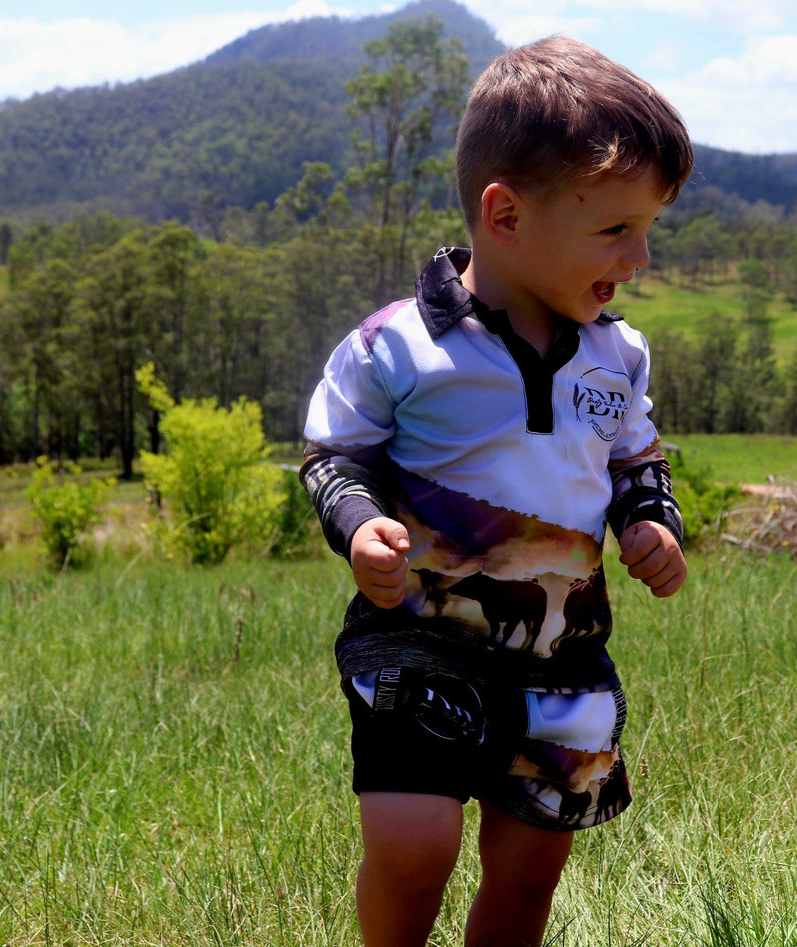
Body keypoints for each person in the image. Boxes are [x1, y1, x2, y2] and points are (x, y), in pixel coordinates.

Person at [301, 34, 694, 947]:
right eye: (615, 230)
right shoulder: (395, 346)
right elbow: (334, 456)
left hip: (565, 652)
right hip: (420, 638)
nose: (639, 257)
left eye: (648, 230)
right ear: (505, 215)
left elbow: (638, 460)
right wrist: (360, 529)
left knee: (529, 871)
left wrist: (651, 522)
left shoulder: (617, 354)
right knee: (414, 838)